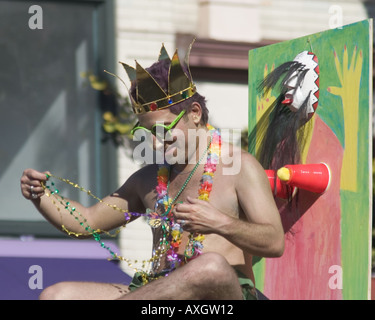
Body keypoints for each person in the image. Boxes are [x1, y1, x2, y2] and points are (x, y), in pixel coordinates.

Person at [20, 41, 284, 300]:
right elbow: (87, 222)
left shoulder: (240, 166)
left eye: (165, 128)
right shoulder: (148, 179)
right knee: (57, 295)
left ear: (194, 113)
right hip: (158, 295)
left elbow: (274, 242)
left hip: (220, 297)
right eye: (147, 132)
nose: (156, 142)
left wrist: (219, 222)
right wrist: (40, 195)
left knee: (210, 267)